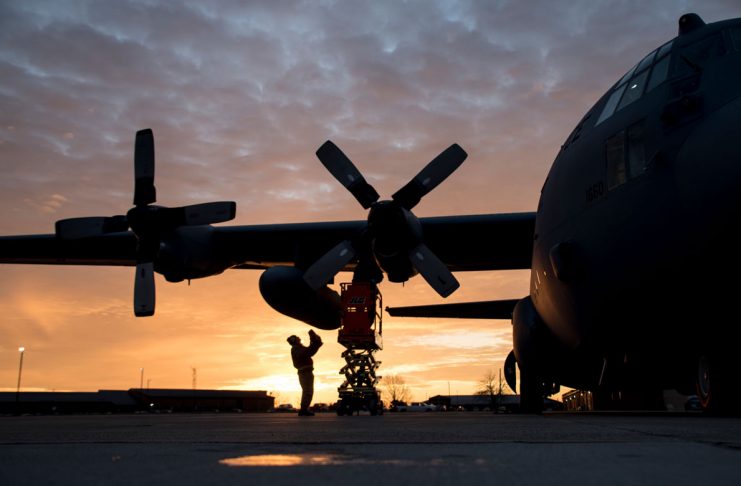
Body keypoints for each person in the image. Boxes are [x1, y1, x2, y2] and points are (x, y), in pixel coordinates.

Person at [287, 329, 323, 416]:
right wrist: (314, 341)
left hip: (306, 372)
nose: (299, 339)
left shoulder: (298, 348)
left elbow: (310, 351)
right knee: (308, 391)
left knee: (307, 391)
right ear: (294, 341)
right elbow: (308, 352)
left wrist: (315, 341)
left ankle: (304, 409)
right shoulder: (296, 348)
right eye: (297, 338)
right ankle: (303, 410)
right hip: (305, 373)